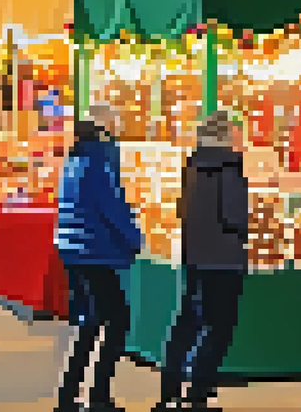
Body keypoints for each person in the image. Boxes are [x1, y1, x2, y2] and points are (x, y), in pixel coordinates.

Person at [156, 110, 249, 412]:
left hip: (194, 254)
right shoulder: (230, 168)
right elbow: (235, 217)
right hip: (224, 257)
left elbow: (182, 209)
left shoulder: (192, 165)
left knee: (188, 321)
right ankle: (198, 390)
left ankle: (170, 385)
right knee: (219, 326)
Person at [55, 104, 142, 412]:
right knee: (117, 320)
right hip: (95, 250)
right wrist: (135, 238)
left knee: (90, 321)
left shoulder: (75, 158)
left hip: (74, 249)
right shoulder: (100, 159)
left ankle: (69, 394)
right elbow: (112, 205)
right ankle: (99, 395)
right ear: (105, 128)